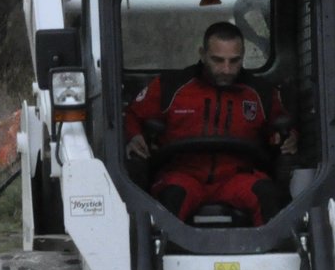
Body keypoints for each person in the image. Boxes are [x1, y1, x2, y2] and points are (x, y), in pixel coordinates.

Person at [124, 21, 297, 225]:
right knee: (171, 199)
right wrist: (134, 136)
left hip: (237, 176)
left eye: (234, 61)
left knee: (267, 195)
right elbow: (132, 114)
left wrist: (291, 138)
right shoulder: (170, 86)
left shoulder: (261, 93)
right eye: (218, 60)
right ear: (202, 54)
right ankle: (162, 254)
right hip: (183, 175)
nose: (226, 69)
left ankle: (273, 254)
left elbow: (282, 125)